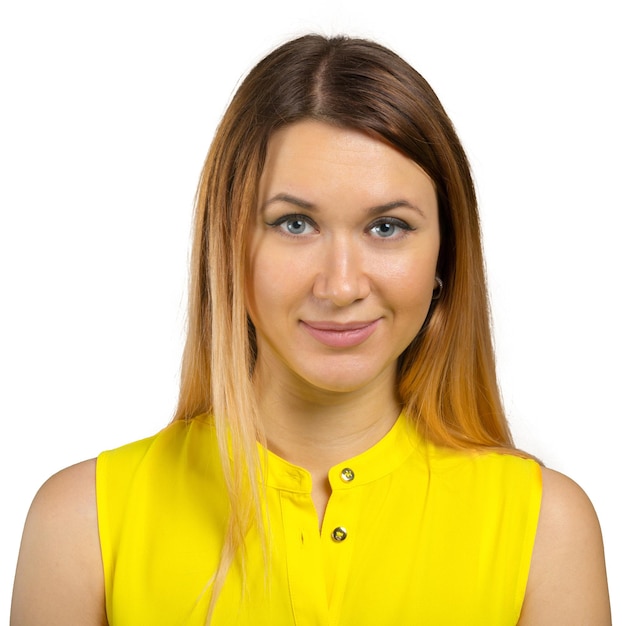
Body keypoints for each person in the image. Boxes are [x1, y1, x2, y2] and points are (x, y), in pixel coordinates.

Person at [11, 34, 611, 626]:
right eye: (295, 223)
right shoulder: (80, 524)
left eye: (387, 227)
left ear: (444, 259)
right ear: (227, 247)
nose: (341, 286)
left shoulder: (546, 530)